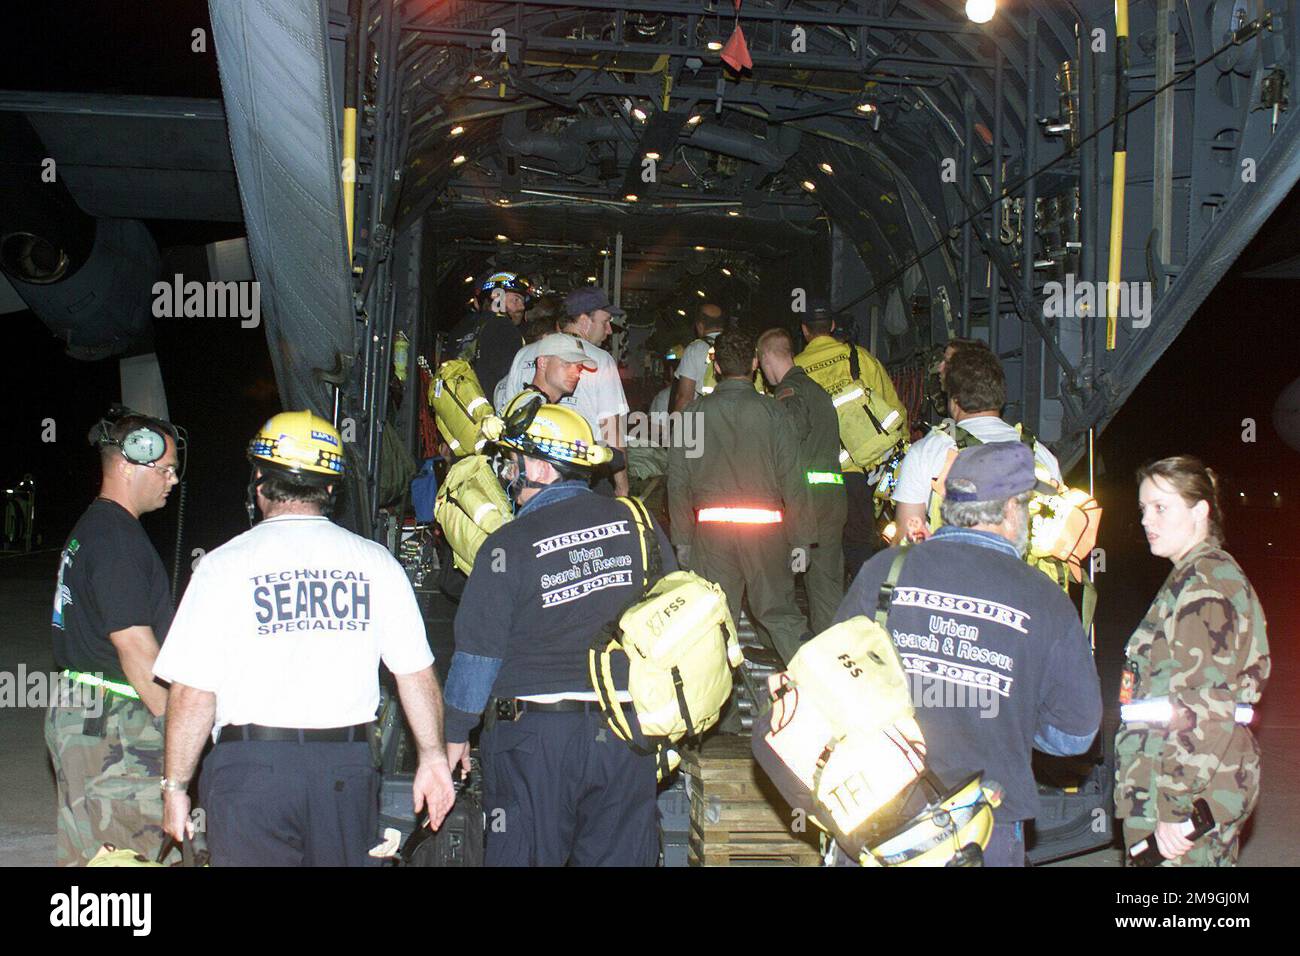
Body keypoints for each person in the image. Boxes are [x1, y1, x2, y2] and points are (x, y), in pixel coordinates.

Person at [153, 411, 455, 866]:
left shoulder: (221, 566)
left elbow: (194, 691)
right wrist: (432, 757)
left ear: (259, 479)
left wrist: (175, 786)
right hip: (344, 772)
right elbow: (414, 673)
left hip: (251, 772)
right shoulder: (376, 564)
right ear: (331, 488)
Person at [834, 441, 1102, 866]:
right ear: (1013, 510)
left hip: (875, 821)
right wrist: (1008, 712)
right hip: (985, 831)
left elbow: (832, 681)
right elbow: (1075, 734)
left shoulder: (884, 571)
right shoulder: (1046, 600)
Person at [442, 401, 676, 866]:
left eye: (514, 461)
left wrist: (453, 734)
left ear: (541, 468)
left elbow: (478, 657)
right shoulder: (640, 525)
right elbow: (672, 613)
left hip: (534, 742)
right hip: (627, 734)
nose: (508, 472)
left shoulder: (506, 544)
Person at [1115, 456, 1269, 866]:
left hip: (1183, 801)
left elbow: (1205, 707)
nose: (1148, 520)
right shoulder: (1192, 577)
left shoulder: (1204, 587)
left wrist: (1176, 808)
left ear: (1200, 511)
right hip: (1170, 788)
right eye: (1144, 509)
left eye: (1161, 507)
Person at [46, 409, 181, 865]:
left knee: (96, 854)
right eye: (164, 469)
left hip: (88, 715)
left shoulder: (97, 527)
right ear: (127, 465)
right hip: (115, 727)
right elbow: (136, 648)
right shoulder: (118, 542)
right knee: (134, 851)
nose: (173, 480)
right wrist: (179, 729)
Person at [667, 329, 814, 666]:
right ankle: (816, 693)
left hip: (711, 536)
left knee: (714, 625)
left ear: (715, 367)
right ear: (754, 364)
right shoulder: (775, 414)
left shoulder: (692, 415)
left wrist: (683, 540)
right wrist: (802, 541)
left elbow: (678, 483)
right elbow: (794, 481)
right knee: (781, 616)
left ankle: (721, 716)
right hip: (766, 535)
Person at [892, 344, 1061, 543]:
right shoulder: (1039, 454)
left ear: (954, 399)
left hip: (954, 571)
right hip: (1022, 572)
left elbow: (907, 539)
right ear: (999, 396)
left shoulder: (928, 451)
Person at [793, 300, 904, 578]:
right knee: (859, 544)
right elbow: (895, 411)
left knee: (823, 552)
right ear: (832, 326)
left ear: (804, 330)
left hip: (815, 477)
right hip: (859, 473)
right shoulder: (861, 359)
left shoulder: (793, 370)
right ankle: (862, 603)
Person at [758, 327, 847, 635]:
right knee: (825, 584)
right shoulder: (818, 390)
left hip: (802, 500)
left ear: (767, 357)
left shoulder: (788, 390)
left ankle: (786, 646)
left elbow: (790, 433)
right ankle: (834, 652)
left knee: (775, 578)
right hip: (832, 497)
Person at [499, 288, 630, 495]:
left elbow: (508, 416)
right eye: (604, 322)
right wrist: (622, 488)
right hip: (584, 475)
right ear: (585, 320)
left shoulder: (523, 355)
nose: (609, 331)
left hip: (532, 477)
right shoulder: (601, 360)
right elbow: (611, 429)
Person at [449, 271, 532, 401]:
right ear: (497, 297)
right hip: (488, 412)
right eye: (516, 299)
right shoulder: (505, 328)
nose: (521, 307)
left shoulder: (459, 329)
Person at [671, 303, 724, 413]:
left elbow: (685, 397)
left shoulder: (694, 349)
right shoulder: (737, 345)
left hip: (705, 419)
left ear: (700, 326)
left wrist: (674, 426)